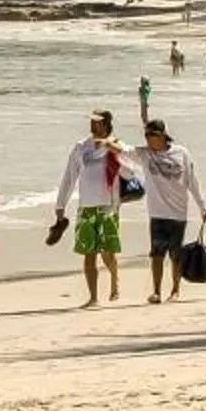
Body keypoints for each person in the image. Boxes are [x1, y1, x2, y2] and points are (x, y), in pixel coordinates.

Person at [52, 108, 126, 308]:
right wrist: (61, 204)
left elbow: (129, 168)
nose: (93, 125)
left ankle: (115, 278)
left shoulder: (115, 144)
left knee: (108, 252)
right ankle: (93, 298)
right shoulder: (80, 147)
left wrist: (111, 148)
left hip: (108, 206)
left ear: (107, 123)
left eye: (98, 122)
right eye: (92, 122)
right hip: (86, 206)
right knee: (89, 252)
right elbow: (69, 176)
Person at [137, 119, 206, 305]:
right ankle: (156, 292)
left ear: (163, 135)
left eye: (153, 135)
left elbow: (192, 182)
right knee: (156, 254)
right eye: (147, 136)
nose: (149, 139)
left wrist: (203, 208)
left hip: (178, 213)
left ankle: (175, 291)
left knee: (176, 255)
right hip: (157, 213)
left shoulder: (181, 153)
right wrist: (106, 140)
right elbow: (121, 149)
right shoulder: (145, 154)